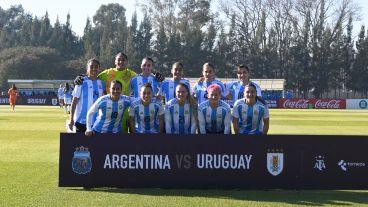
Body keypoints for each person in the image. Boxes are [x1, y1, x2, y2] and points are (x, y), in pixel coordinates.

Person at [74, 52, 164, 133]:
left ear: (127, 62)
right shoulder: (107, 73)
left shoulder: (133, 75)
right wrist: (81, 77)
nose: (121, 62)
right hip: (108, 109)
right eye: (119, 60)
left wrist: (157, 75)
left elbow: (145, 78)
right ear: (115, 61)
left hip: (125, 109)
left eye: (123, 60)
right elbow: (93, 75)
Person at [68, 59, 106, 133]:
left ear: (99, 68)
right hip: (81, 122)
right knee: (81, 144)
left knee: (96, 144)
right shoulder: (81, 82)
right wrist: (71, 119)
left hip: (97, 123)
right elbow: (74, 101)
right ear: (87, 69)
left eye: (96, 67)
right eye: (91, 67)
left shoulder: (103, 83)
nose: (94, 69)